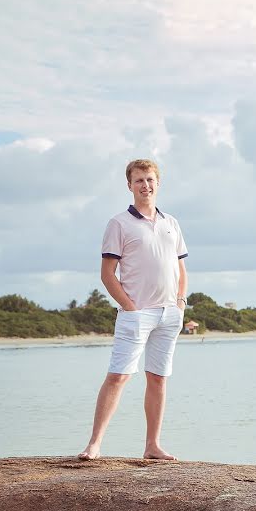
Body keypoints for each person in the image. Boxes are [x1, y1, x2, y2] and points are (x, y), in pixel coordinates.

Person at [78, 159, 189, 461]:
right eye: (139, 180)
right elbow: (107, 274)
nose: (145, 185)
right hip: (136, 315)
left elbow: (181, 268)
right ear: (129, 185)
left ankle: (152, 445)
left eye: (150, 179)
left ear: (158, 182)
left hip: (169, 315)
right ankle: (95, 444)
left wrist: (180, 302)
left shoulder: (171, 223)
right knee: (118, 376)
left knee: (158, 379)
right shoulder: (119, 224)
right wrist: (129, 307)